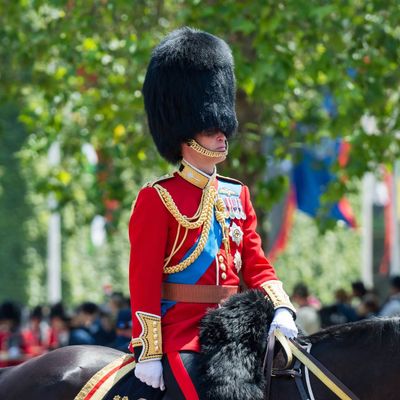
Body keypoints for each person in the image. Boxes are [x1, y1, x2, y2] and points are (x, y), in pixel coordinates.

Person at [128, 27, 297, 399]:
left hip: (238, 331)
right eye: (210, 129)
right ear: (185, 135)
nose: (223, 135)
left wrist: (281, 307)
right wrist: (149, 350)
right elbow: (143, 280)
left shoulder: (238, 193)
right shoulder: (157, 198)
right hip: (183, 336)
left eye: (224, 127)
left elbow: (255, 262)